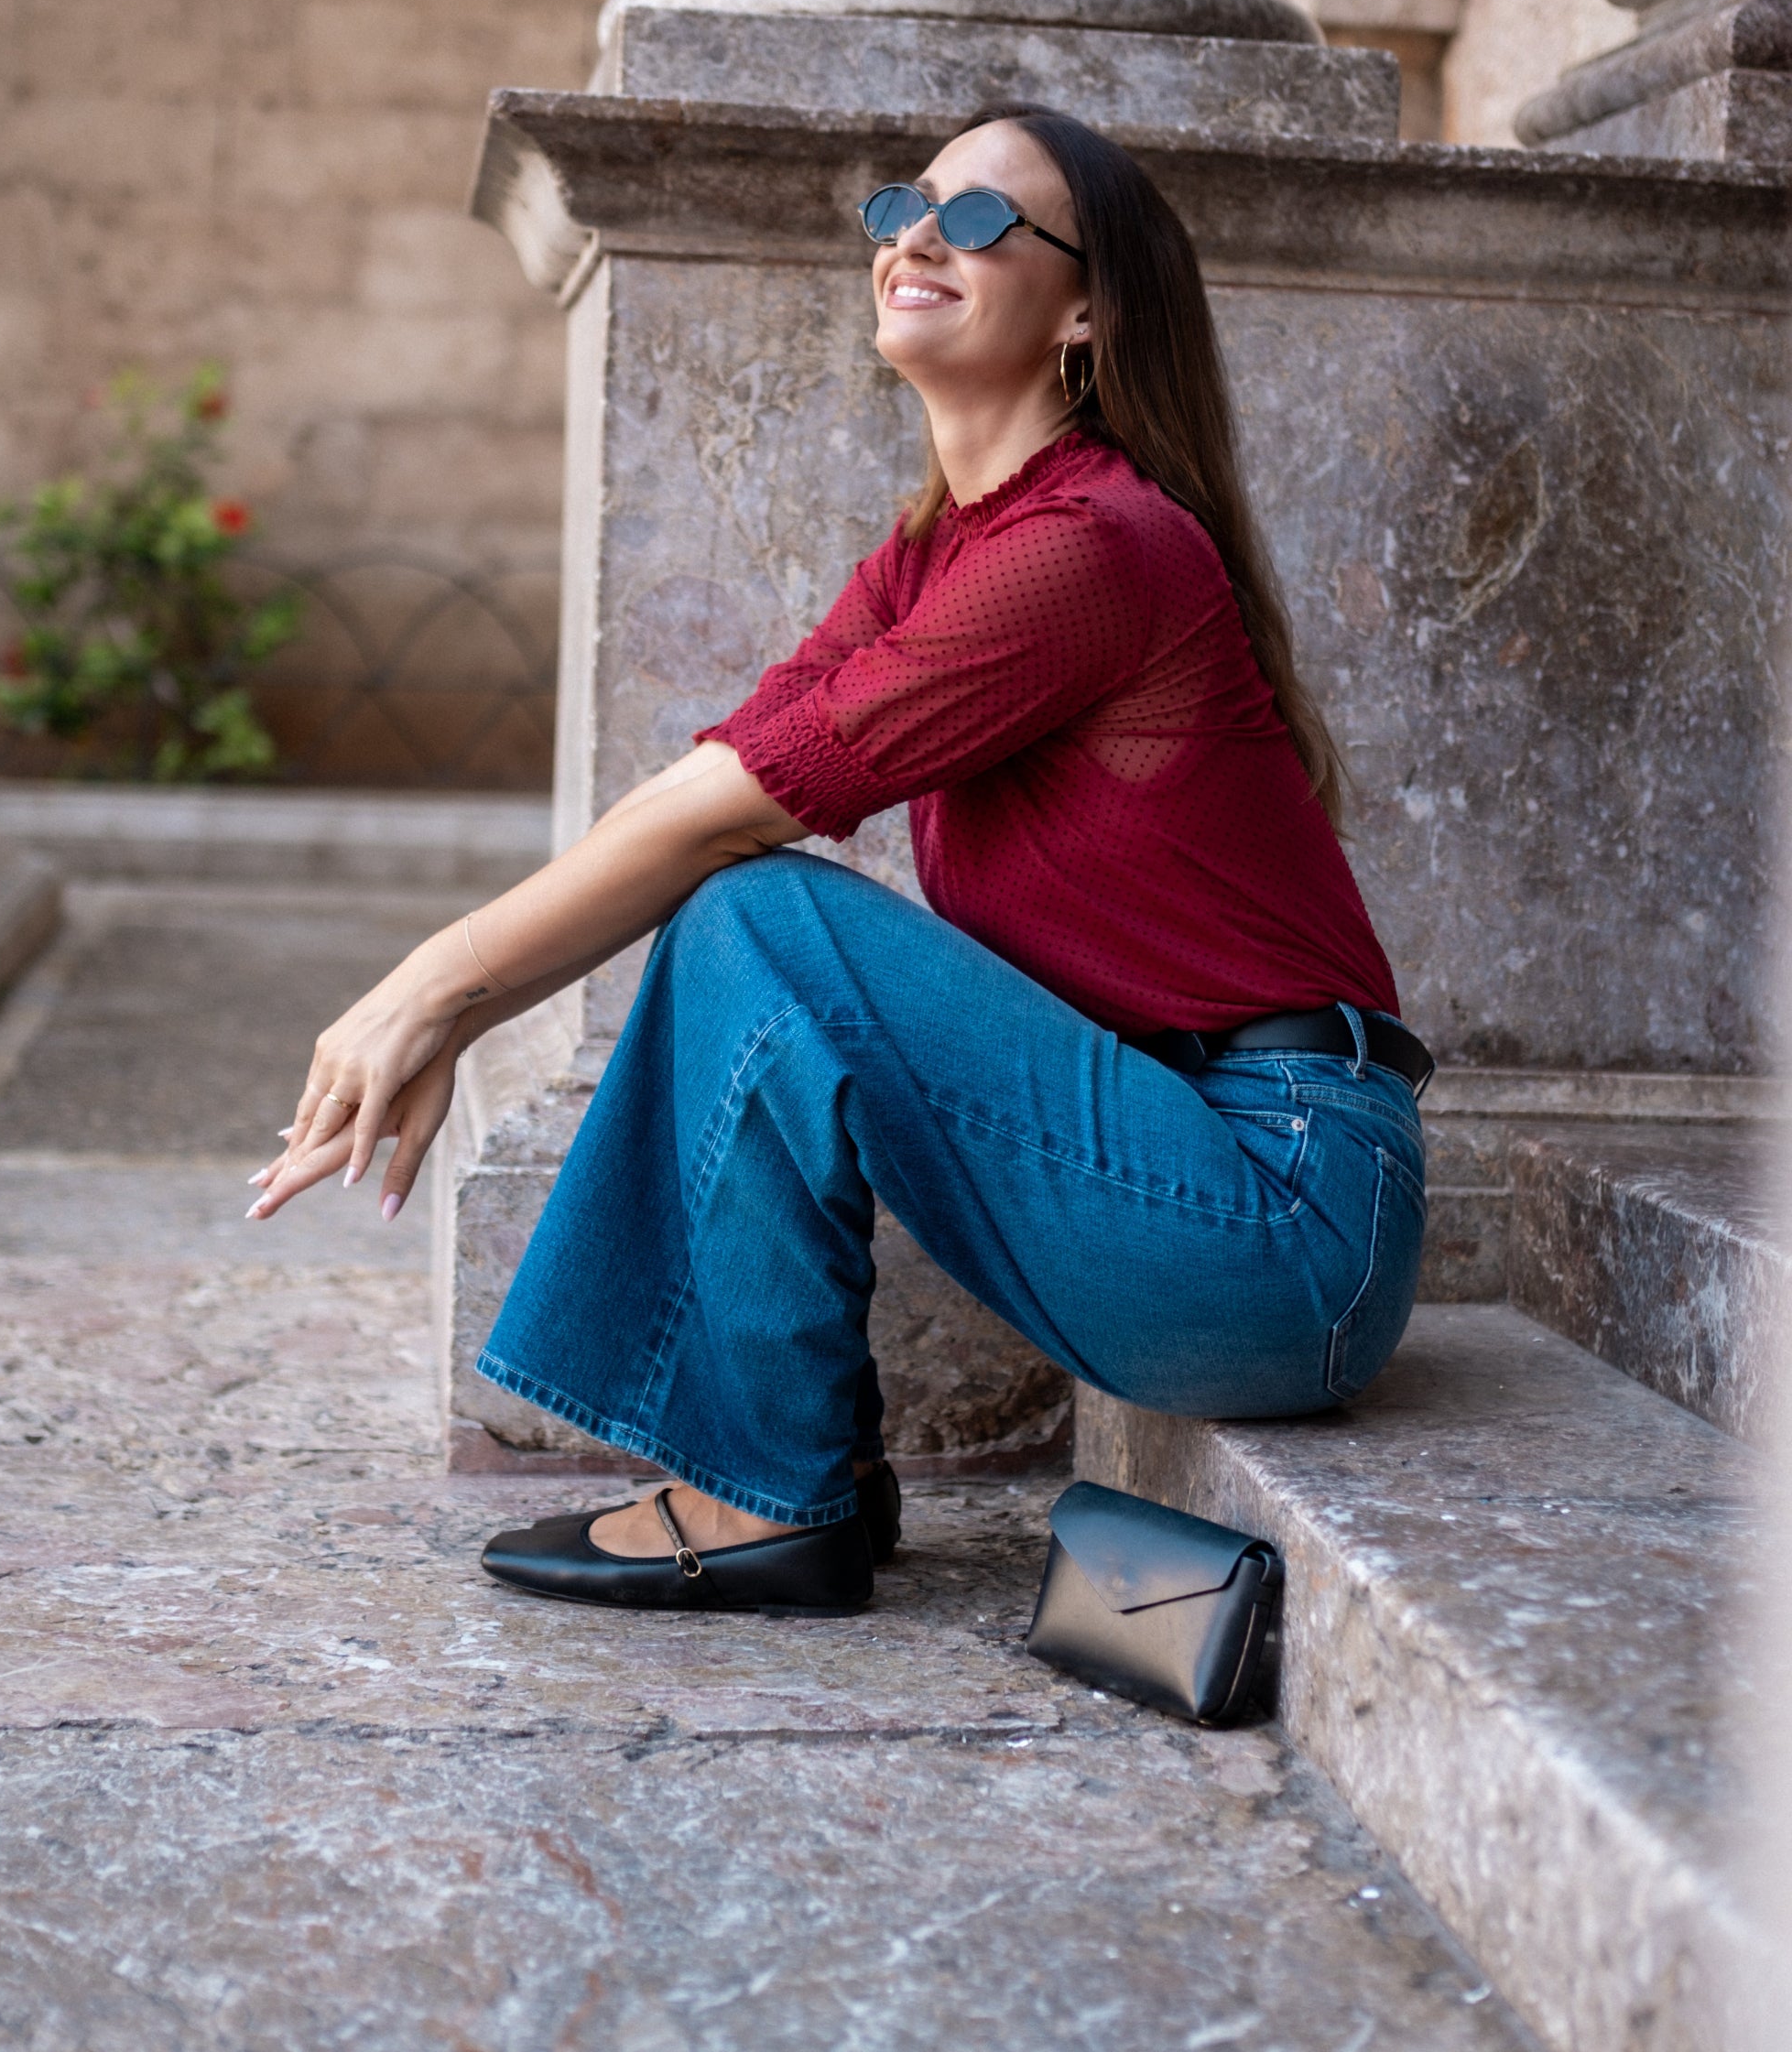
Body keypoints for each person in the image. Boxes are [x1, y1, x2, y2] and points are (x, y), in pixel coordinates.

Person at [247, 108, 1428, 1619]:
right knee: (748, 907)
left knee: (767, 916)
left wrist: (432, 992)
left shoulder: (1097, 549)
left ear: (1088, 313)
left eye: (985, 221)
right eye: (904, 206)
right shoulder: (945, 550)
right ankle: (794, 1478)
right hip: (1186, 1170)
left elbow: (729, 826)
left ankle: (765, 1492)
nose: (916, 238)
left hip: (1282, 1215)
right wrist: (446, 1000)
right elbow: (702, 790)